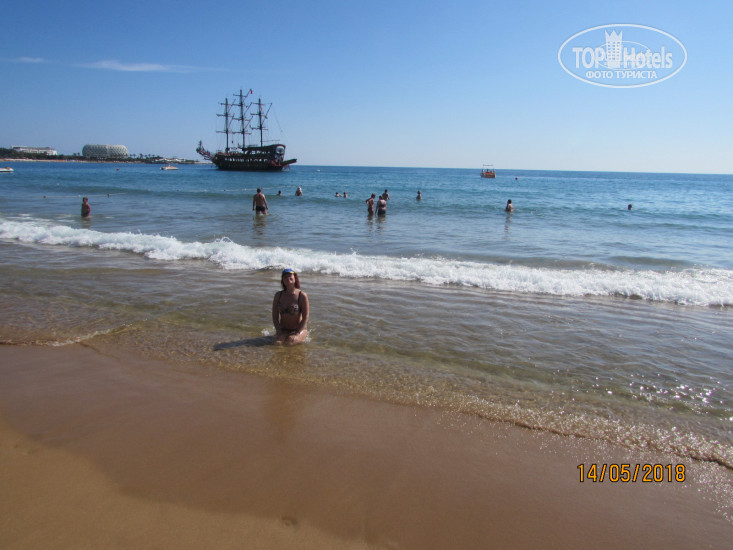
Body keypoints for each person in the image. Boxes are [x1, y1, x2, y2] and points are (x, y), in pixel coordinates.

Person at [272, 268, 309, 345]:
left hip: (298, 329)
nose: (288, 277)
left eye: (290, 275)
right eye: (285, 276)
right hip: (283, 329)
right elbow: (275, 316)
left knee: (290, 342)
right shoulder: (278, 295)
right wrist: (279, 330)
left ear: (295, 278)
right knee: (277, 343)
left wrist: (297, 332)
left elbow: (305, 317)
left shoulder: (302, 295)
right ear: (282, 280)